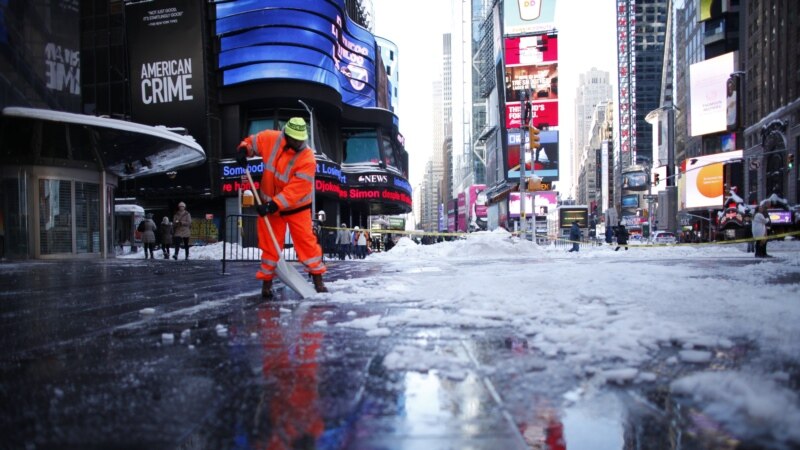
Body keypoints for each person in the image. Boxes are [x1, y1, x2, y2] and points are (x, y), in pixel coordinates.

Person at [236, 117, 328, 298]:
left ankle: (318, 280)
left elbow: (297, 189)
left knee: (307, 245)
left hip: (297, 208)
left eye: (301, 139)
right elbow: (253, 142)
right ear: (286, 134)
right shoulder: (272, 138)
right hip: (269, 206)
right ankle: (266, 284)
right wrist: (244, 149)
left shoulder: (308, 158)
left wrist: (274, 204)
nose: (298, 143)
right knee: (269, 247)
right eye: (294, 139)